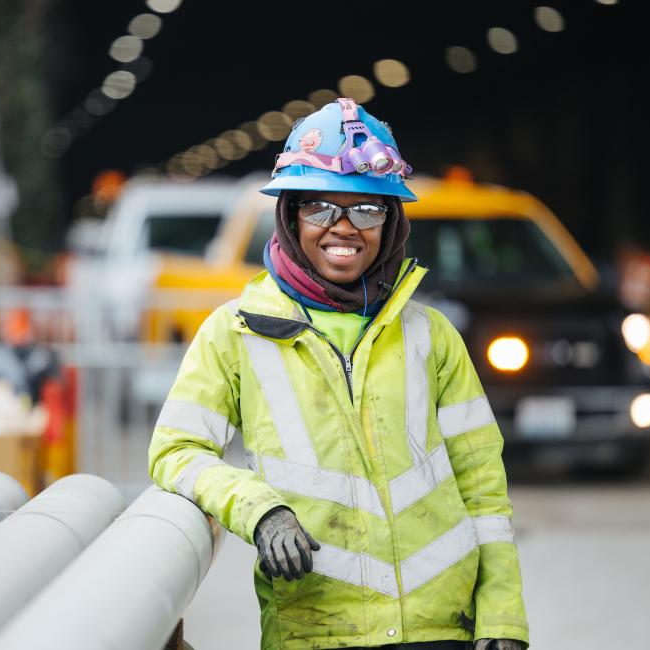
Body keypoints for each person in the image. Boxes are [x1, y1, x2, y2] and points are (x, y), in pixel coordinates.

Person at [149, 98, 529, 650]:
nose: (343, 228)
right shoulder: (235, 334)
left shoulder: (431, 335)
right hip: (317, 630)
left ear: (392, 219)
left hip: (439, 629)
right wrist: (261, 511)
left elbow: (484, 495)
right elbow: (175, 452)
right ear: (290, 214)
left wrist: (502, 618)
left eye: (367, 210)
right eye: (321, 208)